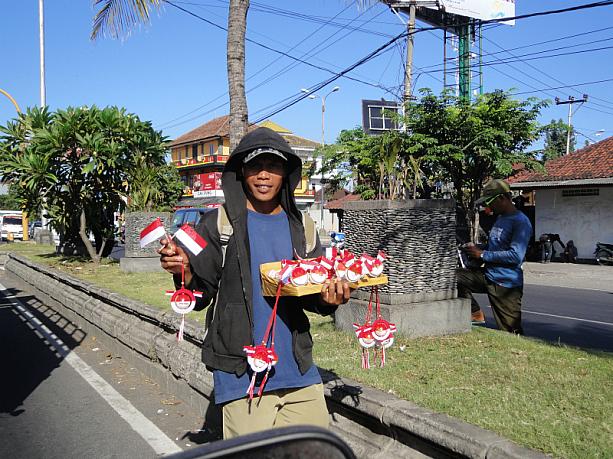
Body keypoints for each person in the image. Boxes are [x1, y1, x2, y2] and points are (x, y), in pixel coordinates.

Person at [159, 127, 351, 439]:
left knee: (316, 449)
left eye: (273, 167)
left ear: (286, 173)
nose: (264, 176)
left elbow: (312, 294)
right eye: (254, 167)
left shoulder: (302, 227)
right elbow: (201, 292)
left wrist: (330, 299)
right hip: (241, 371)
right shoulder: (218, 224)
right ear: (241, 172)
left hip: (298, 369)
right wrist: (183, 271)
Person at [457, 179, 532, 334]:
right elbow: (495, 246)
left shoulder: (520, 222)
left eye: (490, 202)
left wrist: (483, 254)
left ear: (502, 199)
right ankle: (475, 314)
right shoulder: (500, 218)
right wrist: (477, 249)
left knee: (511, 333)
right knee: (452, 277)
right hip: (488, 276)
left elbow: (516, 255)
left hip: (506, 284)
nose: (488, 207)